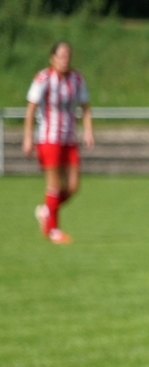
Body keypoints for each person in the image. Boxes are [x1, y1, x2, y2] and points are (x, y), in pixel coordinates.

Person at [23, 41, 94, 245]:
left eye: (68, 55)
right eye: (61, 56)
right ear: (52, 58)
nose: (65, 59)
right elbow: (31, 109)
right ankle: (53, 230)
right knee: (54, 184)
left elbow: (85, 107)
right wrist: (28, 137)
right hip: (48, 138)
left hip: (69, 138)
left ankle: (46, 210)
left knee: (73, 186)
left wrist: (88, 131)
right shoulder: (44, 78)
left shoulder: (77, 79)